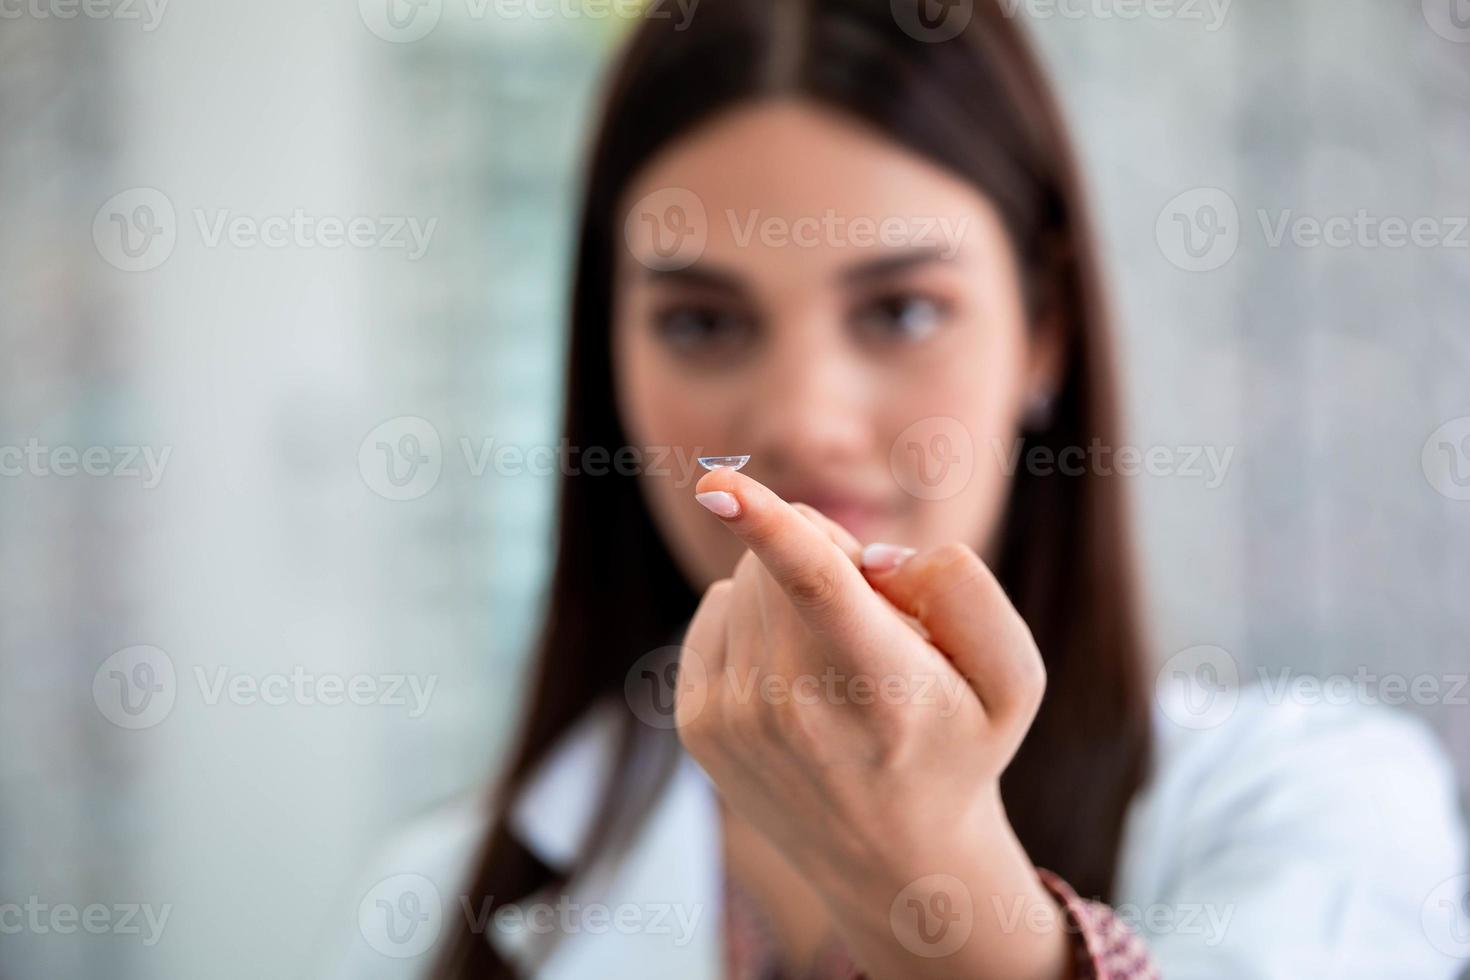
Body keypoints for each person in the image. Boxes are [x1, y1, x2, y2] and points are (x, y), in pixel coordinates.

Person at [338, 1, 1468, 977]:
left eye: (902, 310)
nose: (803, 421)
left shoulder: (1318, 805)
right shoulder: (437, 901)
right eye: (701, 322)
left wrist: (942, 900)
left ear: (1045, 334)